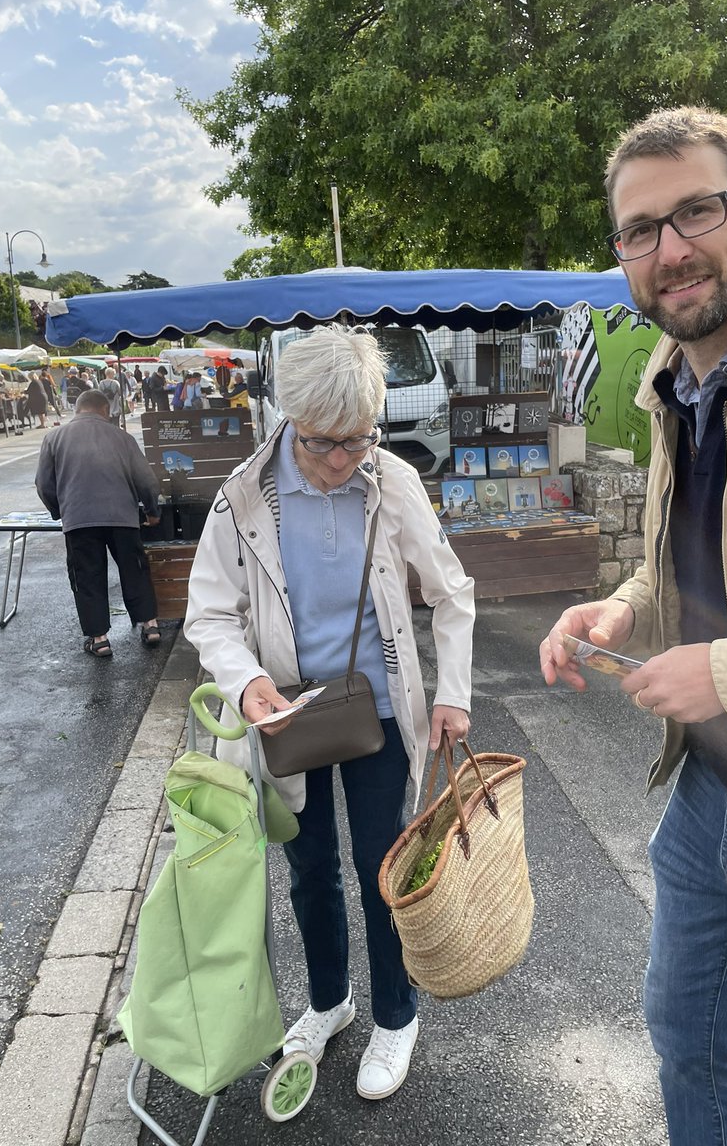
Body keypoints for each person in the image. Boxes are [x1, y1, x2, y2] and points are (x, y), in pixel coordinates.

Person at [539, 106, 727, 1146]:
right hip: (706, 799)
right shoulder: (673, 381)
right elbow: (692, 558)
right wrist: (624, 605)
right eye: (640, 229)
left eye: (695, 212)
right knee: (686, 1042)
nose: (670, 249)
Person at [184, 324, 475, 1101]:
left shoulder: (391, 480)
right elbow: (208, 613)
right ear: (288, 419)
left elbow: (452, 593)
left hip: (376, 711)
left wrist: (452, 693)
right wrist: (247, 679)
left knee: (383, 868)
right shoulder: (244, 495)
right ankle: (328, 1001)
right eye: (323, 443)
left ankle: (396, 1016)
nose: (343, 460)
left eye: (359, 439)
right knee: (308, 869)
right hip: (287, 716)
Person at [35, 389, 163, 657]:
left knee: (87, 576)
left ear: (77, 408)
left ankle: (100, 639)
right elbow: (146, 479)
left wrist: (60, 511)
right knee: (135, 569)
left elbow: (44, 484)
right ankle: (150, 626)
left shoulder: (54, 438)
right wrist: (152, 511)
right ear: (105, 409)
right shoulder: (122, 437)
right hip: (123, 517)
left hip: (79, 519)